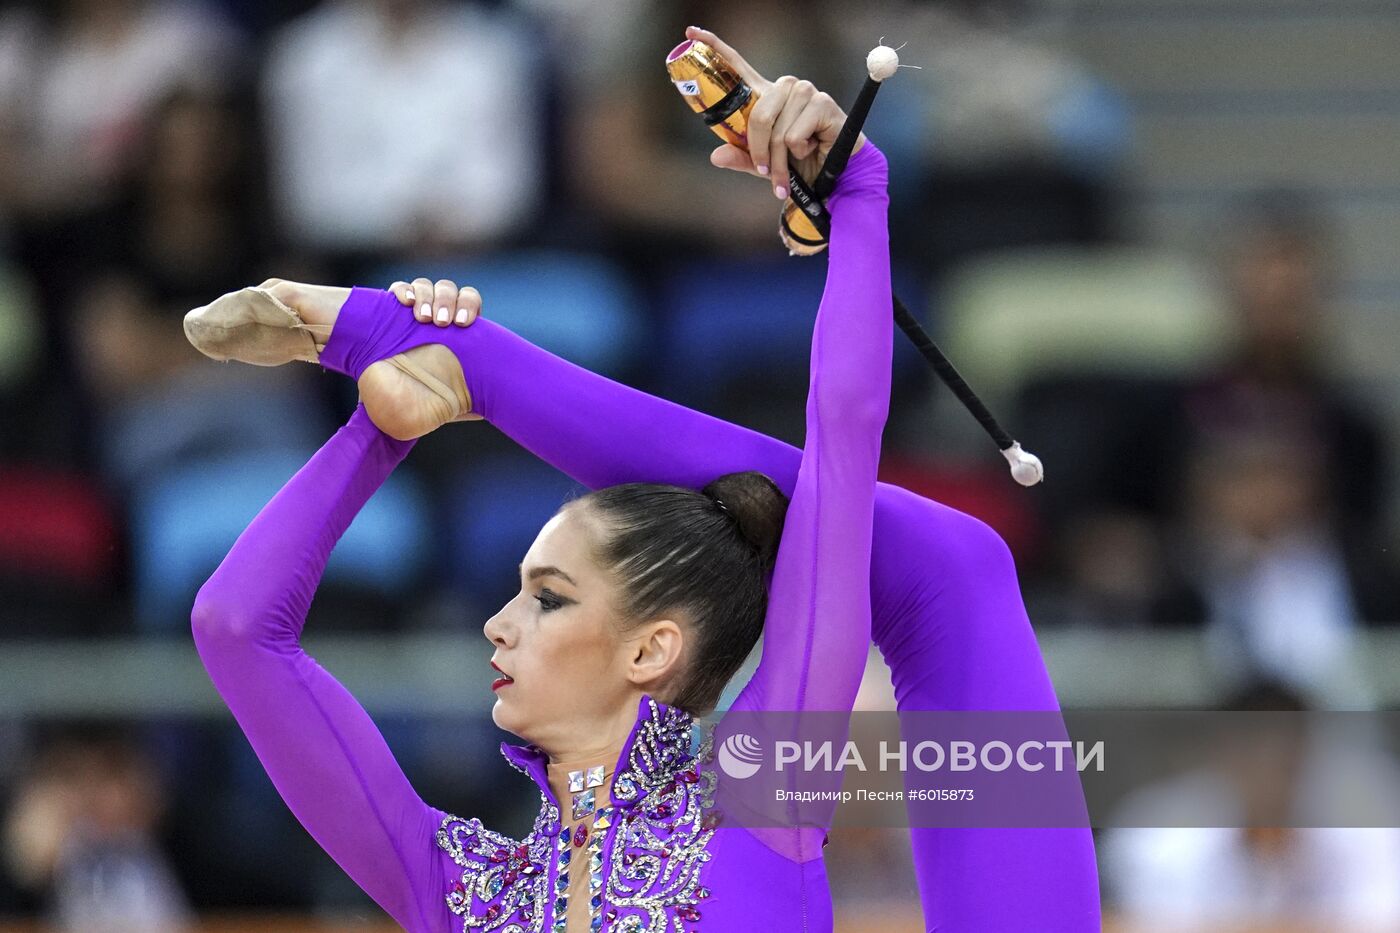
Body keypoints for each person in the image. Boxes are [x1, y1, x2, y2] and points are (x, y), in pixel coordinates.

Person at [188, 28, 1100, 931]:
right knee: (944, 561)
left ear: (652, 647)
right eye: (536, 596)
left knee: (946, 564)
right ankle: (460, 365)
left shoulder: (757, 808)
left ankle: (465, 363)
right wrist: (376, 429)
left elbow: (842, 437)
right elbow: (235, 628)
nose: (495, 624)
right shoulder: (468, 887)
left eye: (544, 598)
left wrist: (860, 195)